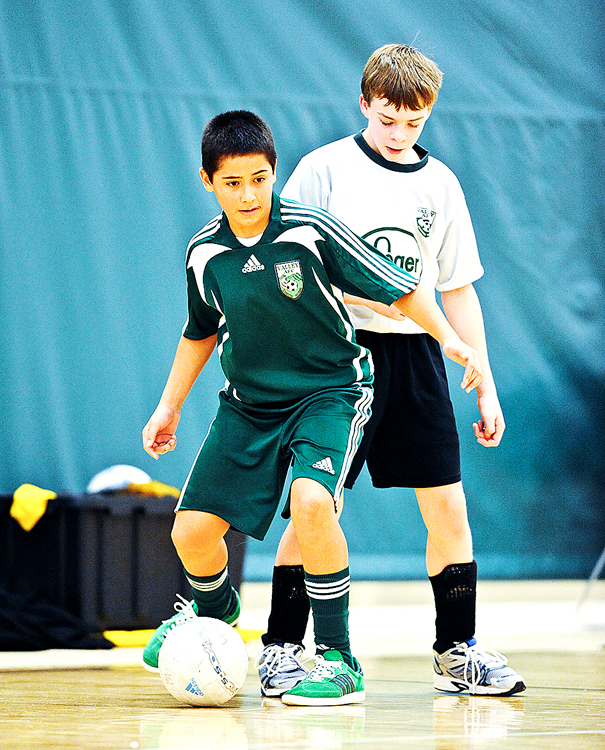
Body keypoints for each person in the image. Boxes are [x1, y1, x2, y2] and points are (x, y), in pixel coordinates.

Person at [141, 109, 482, 707]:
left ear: (274, 173)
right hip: (248, 406)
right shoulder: (203, 253)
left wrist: (450, 339)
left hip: (330, 393)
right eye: (232, 182)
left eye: (259, 178)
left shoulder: (310, 229)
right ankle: (214, 620)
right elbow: (198, 333)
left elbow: (401, 286)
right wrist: (168, 407)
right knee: (190, 534)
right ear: (207, 182)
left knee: (312, 502)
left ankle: (337, 660)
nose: (248, 194)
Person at [255, 44, 526, 698]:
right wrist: (327, 303)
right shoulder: (324, 170)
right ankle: (284, 648)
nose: (400, 134)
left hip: (416, 357)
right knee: (314, 506)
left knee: (449, 508)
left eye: (414, 124)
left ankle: (456, 648)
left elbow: (457, 288)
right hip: (337, 356)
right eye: (388, 120)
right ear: (364, 104)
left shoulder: (441, 185)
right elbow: (281, 257)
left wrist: (484, 377)